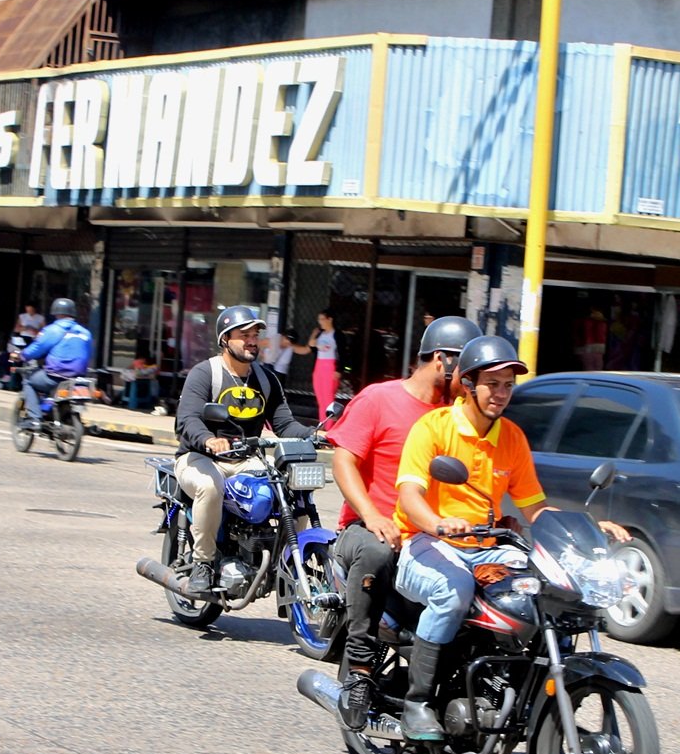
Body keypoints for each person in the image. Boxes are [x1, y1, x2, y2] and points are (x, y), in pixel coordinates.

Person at [391, 334, 630, 741]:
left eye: (508, 385)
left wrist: (590, 527)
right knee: (455, 591)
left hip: (488, 548)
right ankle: (417, 702)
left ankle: (523, 697)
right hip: (427, 545)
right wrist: (438, 523)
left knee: (547, 592)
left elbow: (535, 508)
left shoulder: (513, 438)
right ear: (468, 383)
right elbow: (409, 495)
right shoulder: (433, 428)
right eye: (492, 384)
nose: (501, 394)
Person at [327, 314, 472, 730]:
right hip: (368, 528)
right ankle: (359, 673)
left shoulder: (456, 416)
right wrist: (371, 514)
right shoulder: (379, 398)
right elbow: (343, 460)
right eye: (468, 369)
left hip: (427, 535)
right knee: (377, 553)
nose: (473, 380)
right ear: (442, 361)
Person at [174, 305, 317, 597]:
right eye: (244, 335)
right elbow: (186, 419)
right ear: (225, 339)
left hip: (246, 459)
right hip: (200, 458)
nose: (252, 341)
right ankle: (203, 563)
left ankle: (287, 561)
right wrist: (207, 439)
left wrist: (315, 434)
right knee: (209, 487)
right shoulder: (206, 373)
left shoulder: (266, 379)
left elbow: (284, 424)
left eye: (255, 335)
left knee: (291, 488)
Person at [19, 297, 93, 423]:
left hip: (56, 375)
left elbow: (37, 348)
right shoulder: (86, 333)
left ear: (56, 313)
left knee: (29, 381)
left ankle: (34, 418)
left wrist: (22, 355)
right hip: (78, 377)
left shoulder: (53, 329)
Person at [310, 308, 340, 418]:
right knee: (320, 396)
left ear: (330, 319)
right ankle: (322, 422)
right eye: (319, 319)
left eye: (322, 319)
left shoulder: (336, 334)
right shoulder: (320, 334)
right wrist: (314, 334)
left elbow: (343, 353)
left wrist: (338, 369)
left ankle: (329, 424)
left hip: (330, 365)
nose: (320, 322)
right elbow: (311, 345)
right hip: (319, 365)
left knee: (328, 397)